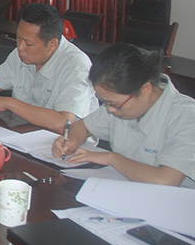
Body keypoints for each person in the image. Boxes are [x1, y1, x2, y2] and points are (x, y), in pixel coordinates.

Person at [53, 43, 195, 187]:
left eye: (114, 104)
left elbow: (165, 180)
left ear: (145, 89)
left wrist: (111, 158)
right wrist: (72, 141)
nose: (109, 110)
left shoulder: (186, 117)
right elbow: (83, 127)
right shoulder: (119, 102)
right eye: (104, 102)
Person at [0, 2, 97, 133]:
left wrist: (9, 103)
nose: (20, 47)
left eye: (28, 43)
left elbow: (63, 123)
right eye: (18, 38)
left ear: (52, 44)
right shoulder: (20, 55)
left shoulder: (76, 66)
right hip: (24, 134)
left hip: (66, 146)